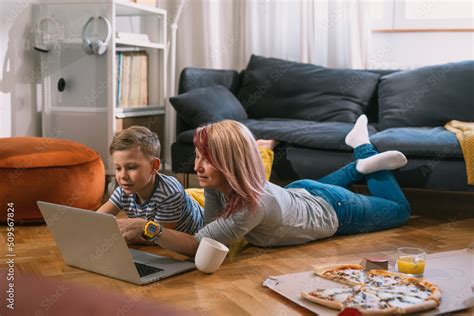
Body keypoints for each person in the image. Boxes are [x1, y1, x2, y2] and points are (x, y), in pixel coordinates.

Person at [119, 117, 410, 257]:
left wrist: (150, 227)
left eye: (207, 160)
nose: (197, 167)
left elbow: (199, 247)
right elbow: (208, 231)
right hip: (300, 192)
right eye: (198, 156)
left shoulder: (250, 206)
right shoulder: (216, 183)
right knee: (325, 189)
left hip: (337, 210)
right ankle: (359, 164)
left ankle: (363, 148)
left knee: (401, 211)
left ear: (231, 162)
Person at [97, 126, 277, 244]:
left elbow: (160, 235)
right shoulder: (124, 188)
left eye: (131, 167)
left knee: (250, 178)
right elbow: (99, 219)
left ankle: (263, 149)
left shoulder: (169, 193)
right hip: (192, 199)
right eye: (118, 168)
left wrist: (122, 231)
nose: (122, 176)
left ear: (155, 166)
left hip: (190, 222)